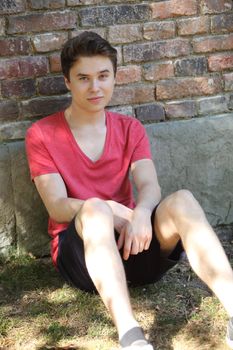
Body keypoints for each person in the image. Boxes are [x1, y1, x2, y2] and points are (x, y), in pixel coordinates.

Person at [25, 31, 233, 350]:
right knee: (94, 208)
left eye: (103, 76)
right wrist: (112, 208)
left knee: (183, 201)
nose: (95, 87)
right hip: (81, 253)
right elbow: (57, 206)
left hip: (132, 245)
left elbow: (149, 184)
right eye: (83, 78)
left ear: (114, 78)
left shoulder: (130, 128)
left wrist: (142, 212)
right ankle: (131, 335)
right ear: (67, 81)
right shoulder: (41, 134)